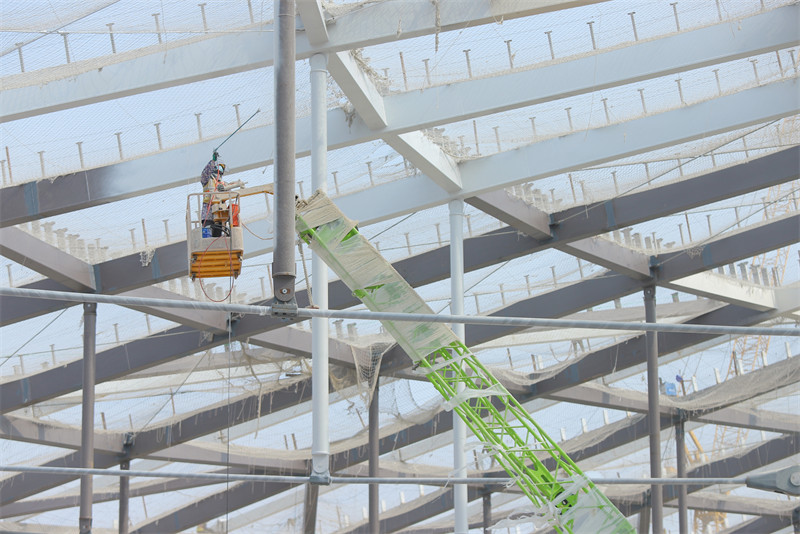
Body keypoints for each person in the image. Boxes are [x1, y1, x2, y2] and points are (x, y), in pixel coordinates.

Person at [200, 152, 227, 237]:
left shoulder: (223, 184)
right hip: (208, 213)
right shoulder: (207, 180)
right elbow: (205, 173)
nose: (219, 171)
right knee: (208, 235)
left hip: (220, 214)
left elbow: (229, 194)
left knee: (217, 237)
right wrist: (213, 161)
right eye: (218, 167)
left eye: (221, 168)